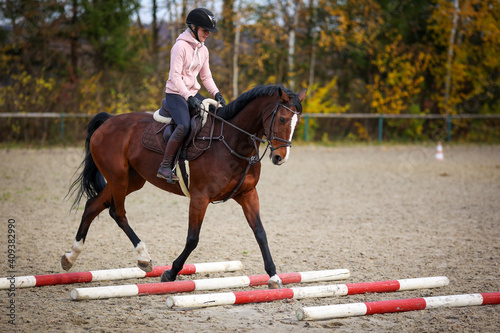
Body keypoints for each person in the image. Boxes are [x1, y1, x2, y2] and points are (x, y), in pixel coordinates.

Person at [157, 8, 226, 183]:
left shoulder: (204, 51)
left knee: (217, 114)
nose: (207, 34)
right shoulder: (179, 47)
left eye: (209, 31)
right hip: (175, 94)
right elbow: (175, 77)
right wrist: (188, 97)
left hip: (193, 93)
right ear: (194, 28)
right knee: (184, 126)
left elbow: (206, 77)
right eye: (205, 30)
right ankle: (164, 166)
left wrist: (216, 93)